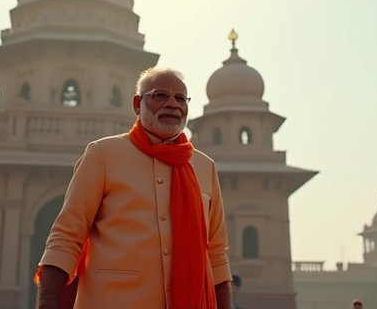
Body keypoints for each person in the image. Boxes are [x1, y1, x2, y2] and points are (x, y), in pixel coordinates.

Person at [36, 67, 232, 309]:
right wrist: (47, 303)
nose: (172, 104)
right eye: (160, 95)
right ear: (138, 104)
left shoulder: (203, 166)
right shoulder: (104, 154)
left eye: (180, 98)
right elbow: (66, 237)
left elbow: (216, 254)